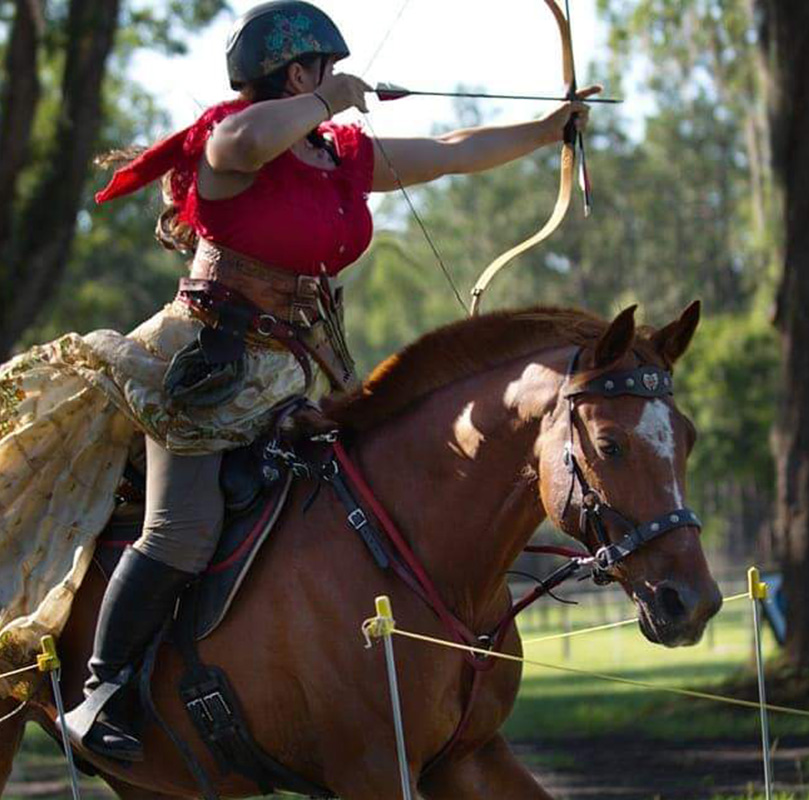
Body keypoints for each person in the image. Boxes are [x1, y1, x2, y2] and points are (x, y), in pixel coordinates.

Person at [65, 0, 599, 762]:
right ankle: (103, 688)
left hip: (295, 371)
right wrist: (323, 101)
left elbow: (449, 148)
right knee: (180, 528)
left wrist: (550, 130)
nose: (339, 80)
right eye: (324, 69)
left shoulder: (338, 156)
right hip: (206, 371)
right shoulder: (231, 143)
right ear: (296, 72)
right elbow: (243, 138)